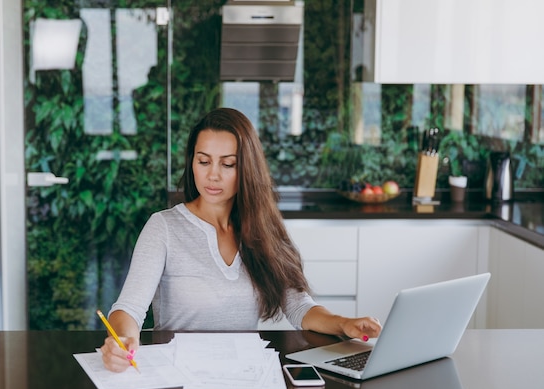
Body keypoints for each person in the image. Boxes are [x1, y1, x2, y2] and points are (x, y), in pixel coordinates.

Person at [100, 107, 381, 372]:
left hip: (243, 379)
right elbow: (129, 308)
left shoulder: (262, 227)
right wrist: (123, 339)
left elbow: (298, 306)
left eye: (228, 164)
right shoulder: (163, 227)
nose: (213, 175)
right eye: (204, 161)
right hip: (180, 381)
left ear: (246, 168)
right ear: (192, 162)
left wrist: (344, 324)